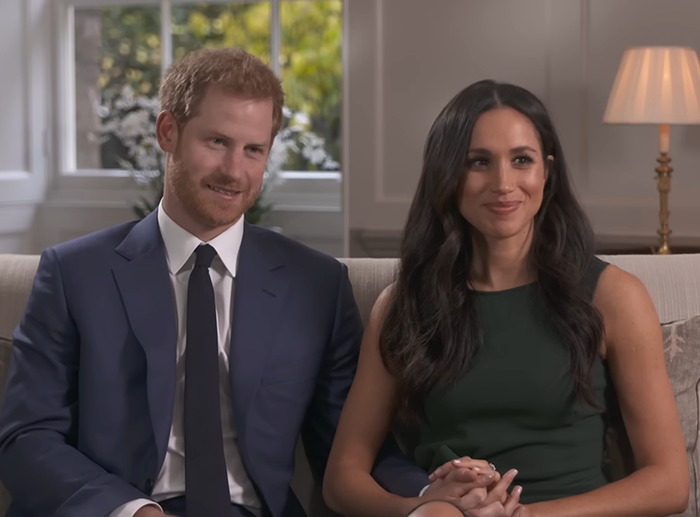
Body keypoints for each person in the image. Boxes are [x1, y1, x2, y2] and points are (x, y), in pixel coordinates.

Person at [0, 48, 433, 517]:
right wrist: (129, 511)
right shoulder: (73, 274)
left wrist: (431, 492)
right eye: (217, 142)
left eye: (254, 150)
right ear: (169, 132)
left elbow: (353, 447)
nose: (234, 171)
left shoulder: (316, 285)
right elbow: (26, 438)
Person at [323, 79, 689, 517]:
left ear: (546, 172)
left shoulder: (614, 296)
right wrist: (420, 508)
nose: (503, 183)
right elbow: (342, 478)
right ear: (448, 175)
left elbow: (669, 483)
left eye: (521, 160)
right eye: (479, 162)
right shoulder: (403, 305)